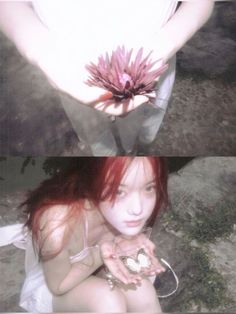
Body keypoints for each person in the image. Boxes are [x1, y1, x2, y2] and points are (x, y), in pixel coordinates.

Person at [0, 1, 214, 155]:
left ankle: (137, 144)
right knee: (91, 128)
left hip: (158, 62)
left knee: (146, 119)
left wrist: (167, 42)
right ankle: (104, 152)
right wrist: (41, 50)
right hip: (70, 69)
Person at [0, 157, 168, 313]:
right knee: (107, 300)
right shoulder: (58, 224)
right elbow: (58, 286)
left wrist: (127, 242)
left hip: (96, 270)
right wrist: (100, 254)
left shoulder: (126, 210)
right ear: (93, 183)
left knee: (142, 291)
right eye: (119, 191)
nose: (138, 209)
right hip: (58, 283)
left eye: (149, 188)